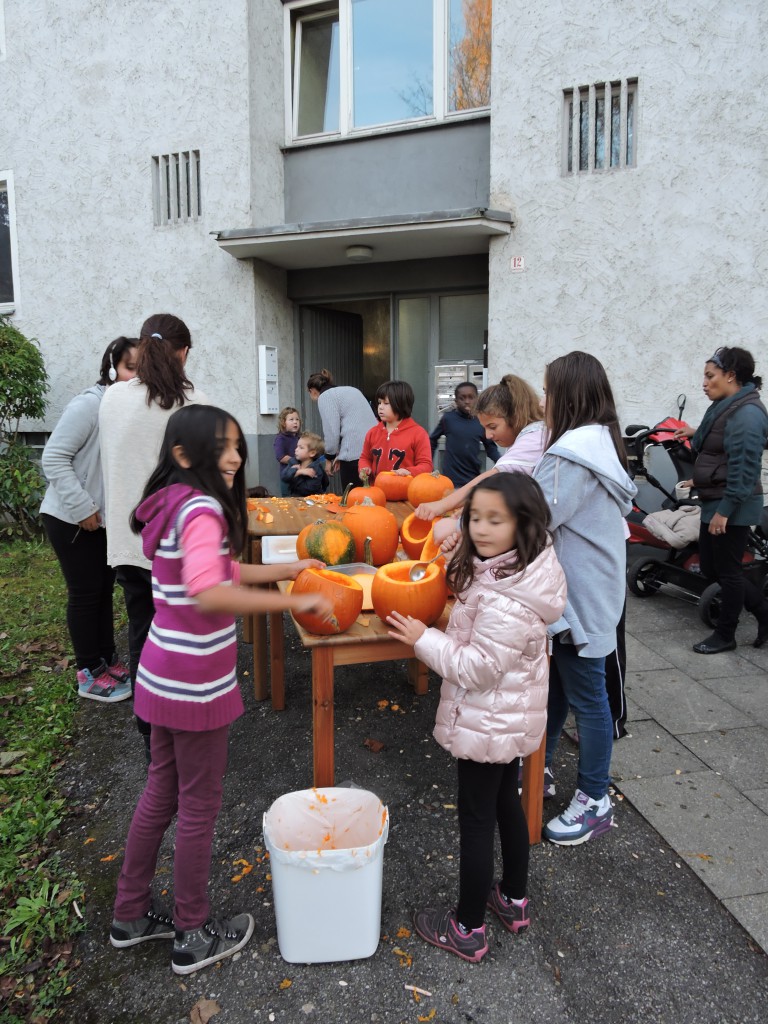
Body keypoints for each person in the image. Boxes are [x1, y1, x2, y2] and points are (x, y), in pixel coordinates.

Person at [109, 405, 332, 975]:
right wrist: (295, 601)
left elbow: (217, 573)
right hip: (195, 685)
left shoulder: (170, 503)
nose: (235, 456)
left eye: (238, 445)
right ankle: (192, 932)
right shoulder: (204, 507)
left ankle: (129, 914)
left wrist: (285, 569)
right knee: (200, 806)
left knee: (161, 791)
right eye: (223, 446)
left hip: (160, 674)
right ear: (185, 455)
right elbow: (210, 592)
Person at [386, 474, 567, 962]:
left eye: (494, 520)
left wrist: (423, 637)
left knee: (476, 817)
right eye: (474, 517)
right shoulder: (516, 567)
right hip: (508, 718)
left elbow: (477, 668)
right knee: (506, 800)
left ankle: (466, 926)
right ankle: (513, 898)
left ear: (523, 524)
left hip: (488, 720)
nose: (480, 529)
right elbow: (474, 591)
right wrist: (450, 541)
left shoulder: (507, 602)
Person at [534, 351, 636, 845]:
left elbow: (533, 517)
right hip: (589, 594)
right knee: (555, 691)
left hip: (577, 602)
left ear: (568, 397)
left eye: (549, 391)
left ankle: (595, 799)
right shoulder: (596, 444)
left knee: (589, 701)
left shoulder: (571, 456)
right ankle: (539, 771)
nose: (542, 401)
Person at [99, 314, 207, 758]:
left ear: (142, 349)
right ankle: (184, 727)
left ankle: (150, 734)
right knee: (186, 637)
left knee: (142, 630)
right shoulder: (192, 400)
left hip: (128, 541)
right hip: (178, 542)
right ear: (182, 352)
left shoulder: (110, 398)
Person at [40, 336, 138, 703]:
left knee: (102, 590)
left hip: (101, 521)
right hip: (70, 518)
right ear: (112, 369)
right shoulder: (89, 404)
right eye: (130, 369)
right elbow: (53, 458)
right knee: (84, 594)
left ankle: (107, 661)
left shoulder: (123, 408)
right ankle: (88, 672)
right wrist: (82, 508)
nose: (136, 377)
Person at [673, 346, 768, 654]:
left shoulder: (748, 414)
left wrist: (724, 512)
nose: (704, 382)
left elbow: (744, 469)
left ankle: (725, 634)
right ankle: (765, 613)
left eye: (710, 376)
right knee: (714, 569)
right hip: (716, 498)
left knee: (727, 572)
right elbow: (721, 447)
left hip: (733, 505)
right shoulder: (727, 406)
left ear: (731, 376)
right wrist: (693, 437)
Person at [415, 375, 547, 523]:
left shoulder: (534, 438)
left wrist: (441, 505)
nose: (487, 435)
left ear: (515, 416)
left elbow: (494, 479)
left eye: (492, 427)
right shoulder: (532, 434)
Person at [306, 369, 377, 491]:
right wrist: (341, 455)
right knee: (372, 496)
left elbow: (332, 431)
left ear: (312, 391)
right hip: (374, 449)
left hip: (355, 456)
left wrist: (329, 458)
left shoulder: (325, 397)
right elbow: (355, 422)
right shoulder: (351, 390)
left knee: (354, 499)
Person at [429, 382, 501, 487]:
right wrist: (428, 464)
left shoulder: (481, 421)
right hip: (450, 481)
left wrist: (503, 465)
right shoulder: (448, 419)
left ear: (477, 399)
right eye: (462, 398)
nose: (467, 401)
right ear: (456, 401)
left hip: (473, 480)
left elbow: (491, 448)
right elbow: (432, 441)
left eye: (471, 397)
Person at [358, 379, 432, 481]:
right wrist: (364, 468)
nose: (380, 407)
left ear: (401, 404)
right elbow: (365, 458)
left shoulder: (418, 433)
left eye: (386, 403)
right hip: (377, 491)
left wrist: (409, 471)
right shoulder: (372, 432)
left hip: (407, 492)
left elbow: (426, 465)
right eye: (379, 403)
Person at [280, 431, 329, 497]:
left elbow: (307, 490)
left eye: (301, 447)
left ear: (312, 453)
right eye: (297, 446)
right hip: (295, 499)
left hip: (312, 502)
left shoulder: (316, 470)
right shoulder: (294, 462)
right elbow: (284, 477)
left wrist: (294, 476)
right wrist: (298, 472)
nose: (296, 450)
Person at [274, 407, 301, 496]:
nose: (295, 422)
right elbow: (280, 457)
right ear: (283, 423)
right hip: (287, 476)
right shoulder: (280, 438)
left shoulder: (299, 437)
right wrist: (294, 461)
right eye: (291, 419)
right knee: (288, 499)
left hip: (299, 475)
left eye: (297, 419)